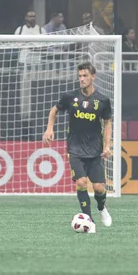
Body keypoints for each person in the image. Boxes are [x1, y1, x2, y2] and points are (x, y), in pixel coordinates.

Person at [43, 62, 113, 233]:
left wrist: (107, 146)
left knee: (99, 188)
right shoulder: (70, 97)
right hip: (75, 149)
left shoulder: (102, 100)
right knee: (81, 183)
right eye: (80, 76)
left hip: (94, 149)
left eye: (85, 76)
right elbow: (54, 110)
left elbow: (107, 123)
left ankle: (101, 208)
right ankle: (89, 221)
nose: (81, 79)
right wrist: (49, 128)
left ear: (93, 77)